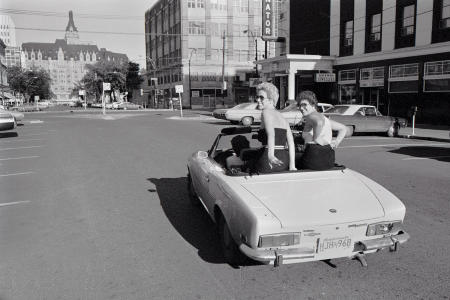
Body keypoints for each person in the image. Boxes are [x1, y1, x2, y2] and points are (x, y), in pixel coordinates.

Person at [296, 90, 347, 170]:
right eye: (299, 105)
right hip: (328, 160)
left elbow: (318, 122)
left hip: (313, 159)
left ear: (313, 104)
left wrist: (317, 139)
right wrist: (336, 142)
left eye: (304, 105)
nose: (301, 108)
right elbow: (343, 128)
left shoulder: (311, 116)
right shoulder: (325, 119)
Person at [253, 82, 296, 173]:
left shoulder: (266, 112)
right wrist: (292, 165)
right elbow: (291, 143)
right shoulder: (282, 117)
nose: (258, 100)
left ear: (271, 100)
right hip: (284, 161)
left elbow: (271, 134)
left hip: (268, 160)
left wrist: (271, 156)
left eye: (261, 97)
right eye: (257, 97)